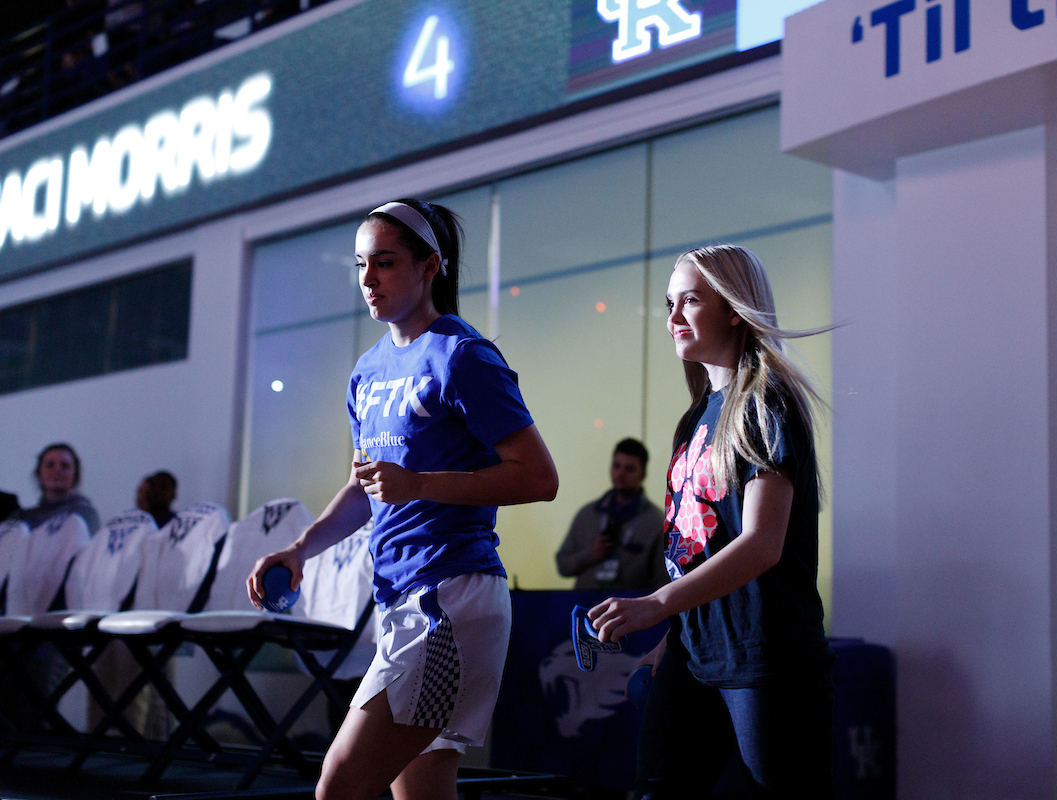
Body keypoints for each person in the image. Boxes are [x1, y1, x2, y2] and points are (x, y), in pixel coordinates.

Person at [246, 198, 558, 800]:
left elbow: (538, 478)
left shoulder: (463, 356)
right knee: (420, 793)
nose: (369, 279)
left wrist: (420, 483)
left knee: (339, 787)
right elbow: (369, 486)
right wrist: (300, 547)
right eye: (362, 265)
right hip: (401, 602)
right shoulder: (368, 370)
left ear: (429, 266)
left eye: (385, 263)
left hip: (451, 602)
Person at [588, 245, 834, 799]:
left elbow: (761, 545)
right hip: (693, 654)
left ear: (733, 310)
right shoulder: (694, 418)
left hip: (765, 657)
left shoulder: (767, 403)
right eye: (670, 303)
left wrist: (656, 605)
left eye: (690, 301)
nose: (672, 318)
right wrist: (673, 635)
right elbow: (693, 549)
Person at [555, 438, 667, 590]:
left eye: (629, 469)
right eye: (616, 466)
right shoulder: (587, 515)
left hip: (630, 610)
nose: (620, 474)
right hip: (586, 606)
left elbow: (663, 582)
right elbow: (563, 565)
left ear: (643, 474)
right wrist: (591, 554)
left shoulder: (656, 522)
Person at [20, 443, 101, 534]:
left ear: (75, 475)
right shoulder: (21, 519)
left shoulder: (84, 514)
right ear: (39, 474)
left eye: (65, 466)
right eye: (50, 465)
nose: (57, 470)